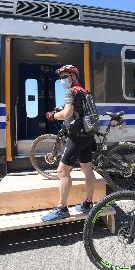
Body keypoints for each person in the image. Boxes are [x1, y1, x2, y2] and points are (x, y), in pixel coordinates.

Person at [41, 64, 97, 222]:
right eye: (60, 77)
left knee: (62, 172)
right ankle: (88, 204)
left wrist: (53, 115)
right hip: (88, 135)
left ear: (73, 76)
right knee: (87, 168)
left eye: (64, 76)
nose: (62, 80)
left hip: (77, 137)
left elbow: (67, 114)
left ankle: (62, 208)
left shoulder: (71, 92)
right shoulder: (83, 91)